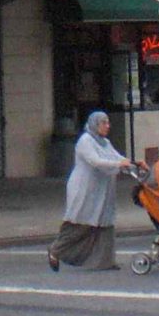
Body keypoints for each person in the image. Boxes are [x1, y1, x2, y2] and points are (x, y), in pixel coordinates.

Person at [47, 110, 132, 271]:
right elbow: (96, 161)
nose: (108, 126)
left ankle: (106, 260)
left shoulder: (104, 142)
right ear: (95, 124)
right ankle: (56, 249)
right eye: (103, 123)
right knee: (82, 223)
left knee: (105, 223)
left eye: (108, 122)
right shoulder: (85, 141)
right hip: (85, 189)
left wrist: (133, 164)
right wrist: (119, 165)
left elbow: (117, 157)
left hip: (102, 190)